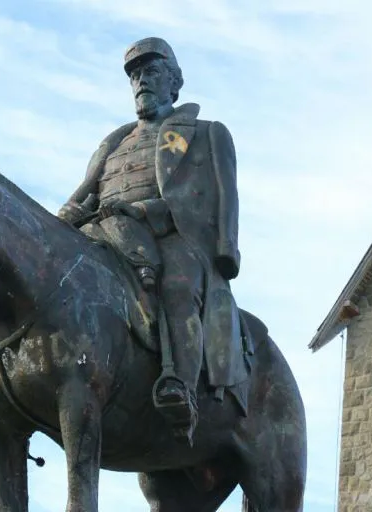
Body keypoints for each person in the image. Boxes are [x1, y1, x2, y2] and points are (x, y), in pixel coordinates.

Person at [56, 36, 242, 442]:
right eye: (135, 75)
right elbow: (86, 194)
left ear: (175, 83)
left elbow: (216, 199)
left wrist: (223, 248)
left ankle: (182, 387)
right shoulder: (114, 141)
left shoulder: (206, 133)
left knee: (178, 287)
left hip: (171, 233)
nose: (141, 81)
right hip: (104, 230)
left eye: (152, 72)